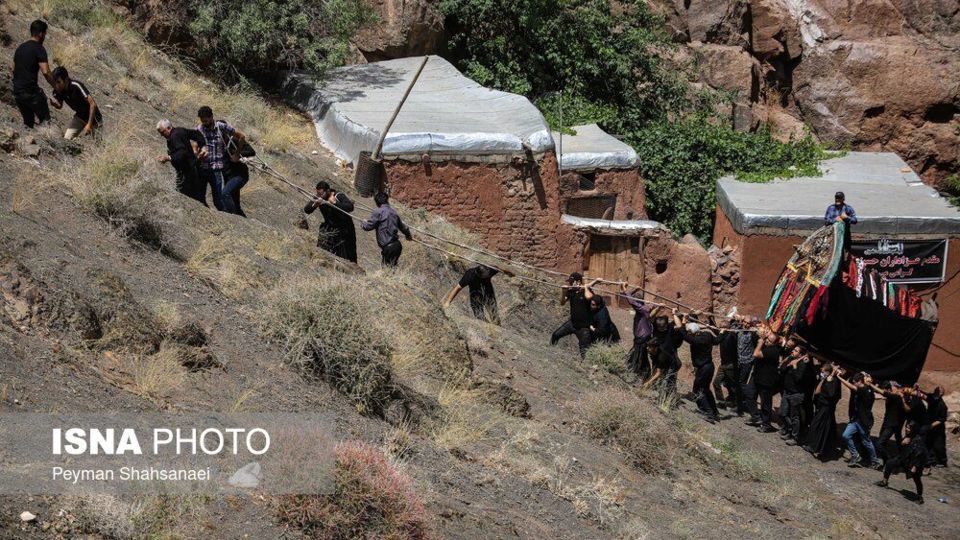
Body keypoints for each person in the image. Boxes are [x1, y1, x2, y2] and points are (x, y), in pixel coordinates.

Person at [196, 106, 248, 213]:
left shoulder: (221, 127)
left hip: (216, 170)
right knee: (200, 197)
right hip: (203, 168)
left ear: (211, 117)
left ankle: (232, 217)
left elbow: (242, 136)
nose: (204, 123)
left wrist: (237, 154)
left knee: (219, 200)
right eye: (202, 121)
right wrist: (198, 154)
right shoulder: (199, 129)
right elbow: (194, 144)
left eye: (206, 120)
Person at [12, 20, 54, 128]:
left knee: (28, 123)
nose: (45, 36)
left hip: (17, 92)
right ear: (40, 33)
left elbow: (13, 68)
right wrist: (56, 86)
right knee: (45, 121)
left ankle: (26, 142)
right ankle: (48, 139)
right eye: (45, 33)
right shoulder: (39, 48)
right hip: (31, 92)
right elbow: (46, 71)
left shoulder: (20, 48)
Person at [876, 421, 929, 504]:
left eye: (909, 428)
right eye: (906, 427)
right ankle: (884, 481)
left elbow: (921, 454)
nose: (907, 429)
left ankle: (919, 497)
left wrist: (915, 466)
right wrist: (903, 443)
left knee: (917, 479)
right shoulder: (908, 436)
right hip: (904, 459)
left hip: (914, 463)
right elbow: (903, 449)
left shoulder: (918, 439)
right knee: (890, 463)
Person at [303, 181, 357, 263]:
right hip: (330, 227)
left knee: (346, 254)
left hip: (344, 229)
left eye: (321, 194)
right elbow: (307, 210)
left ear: (328, 191)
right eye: (318, 194)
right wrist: (315, 205)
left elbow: (350, 207)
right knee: (323, 248)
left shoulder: (338, 196)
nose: (320, 196)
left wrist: (335, 203)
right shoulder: (319, 198)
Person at [156, 119, 207, 205]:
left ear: (169, 127)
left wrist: (168, 157)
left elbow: (181, 152)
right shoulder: (180, 130)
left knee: (190, 198)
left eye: (162, 132)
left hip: (188, 172)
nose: (162, 135)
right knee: (196, 197)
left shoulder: (174, 136)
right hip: (192, 169)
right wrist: (203, 146)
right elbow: (197, 134)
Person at [838, 372, 882, 469]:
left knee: (866, 441)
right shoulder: (867, 389)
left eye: (855, 382)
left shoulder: (864, 390)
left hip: (864, 421)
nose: (854, 383)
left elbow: (851, 386)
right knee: (846, 435)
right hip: (856, 419)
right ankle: (855, 455)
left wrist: (839, 377)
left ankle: (875, 461)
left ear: (859, 382)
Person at [443, 264, 514, 323]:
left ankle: (498, 328)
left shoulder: (490, 269)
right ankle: (488, 329)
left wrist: (509, 273)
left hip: (488, 292)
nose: (488, 276)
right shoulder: (469, 275)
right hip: (475, 295)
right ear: (478, 275)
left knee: (494, 314)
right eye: (485, 276)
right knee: (479, 317)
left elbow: (500, 268)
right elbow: (457, 288)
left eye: (488, 275)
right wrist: (448, 302)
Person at [684, 319, 722, 422]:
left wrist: (683, 320)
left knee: (698, 390)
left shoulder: (695, 340)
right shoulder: (707, 335)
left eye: (689, 332)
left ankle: (708, 413)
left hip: (703, 368)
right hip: (710, 366)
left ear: (692, 332)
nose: (688, 333)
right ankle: (715, 412)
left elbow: (683, 333)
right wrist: (722, 332)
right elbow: (717, 340)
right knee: (706, 389)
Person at [642, 309, 685, 399]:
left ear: (667, 324)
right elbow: (650, 317)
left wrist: (674, 314)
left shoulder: (670, 328)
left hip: (669, 357)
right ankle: (657, 390)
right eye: (659, 327)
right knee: (657, 371)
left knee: (669, 378)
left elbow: (680, 325)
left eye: (663, 327)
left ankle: (669, 398)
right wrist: (659, 307)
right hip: (657, 352)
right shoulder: (656, 326)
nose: (661, 328)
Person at [550, 273, 596, 357]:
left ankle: (587, 368)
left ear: (578, 282)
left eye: (571, 282)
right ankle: (551, 352)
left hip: (584, 327)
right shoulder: (571, 291)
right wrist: (564, 292)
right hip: (572, 323)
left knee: (584, 350)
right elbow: (562, 303)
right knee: (555, 335)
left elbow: (590, 297)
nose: (570, 284)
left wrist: (585, 287)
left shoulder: (587, 291)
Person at [361, 191, 412, 267]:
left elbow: (368, 227)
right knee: (392, 267)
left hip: (388, 247)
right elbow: (403, 228)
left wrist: (363, 222)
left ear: (377, 202)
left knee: (386, 270)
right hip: (397, 246)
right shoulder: (394, 212)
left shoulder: (378, 212)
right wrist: (408, 235)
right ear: (387, 201)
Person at [49, 66, 102, 140]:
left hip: (94, 118)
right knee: (67, 139)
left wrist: (89, 124)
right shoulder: (59, 90)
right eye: (55, 82)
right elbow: (60, 105)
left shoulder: (76, 86)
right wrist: (55, 104)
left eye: (59, 82)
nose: (57, 85)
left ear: (66, 79)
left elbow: (92, 104)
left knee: (97, 143)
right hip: (80, 116)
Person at [804, 363, 842, 460]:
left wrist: (830, 378)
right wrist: (825, 379)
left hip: (827, 408)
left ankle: (817, 447)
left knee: (821, 427)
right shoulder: (826, 379)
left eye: (824, 371)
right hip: (821, 406)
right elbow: (817, 391)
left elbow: (832, 394)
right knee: (818, 426)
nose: (822, 373)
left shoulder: (834, 381)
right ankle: (815, 446)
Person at [751, 327, 781, 433]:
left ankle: (766, 424)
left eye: (769, 341)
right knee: (752, 396)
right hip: (760, 379)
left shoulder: (772, 351)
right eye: (767, 339)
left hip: (767, 381)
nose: (767, 341)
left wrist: (761, 341)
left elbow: (756, 354)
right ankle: (757, 418)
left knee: (766, 404)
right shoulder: (769, 347)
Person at [621, 283, 653, 380]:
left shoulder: (642, 309)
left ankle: (640, 375)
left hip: (642, 337)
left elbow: (631, 301)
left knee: (639, 356)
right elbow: (630, 298)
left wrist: (625, 288)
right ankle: (639, 373)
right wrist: (635, 290)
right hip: (643, 336)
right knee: (639, 355)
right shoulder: (643, 308)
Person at [778, 346, 809, 444]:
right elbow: (782, 370)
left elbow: (798, 379)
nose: (793, 351)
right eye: (794, 349)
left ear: (800, 354)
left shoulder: (803, 364)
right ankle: (790, 430)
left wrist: (795, 367)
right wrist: (787, 365)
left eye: (795, 350)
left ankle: (795, 437)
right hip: (787, 392)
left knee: (795, 417)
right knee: (782, 413)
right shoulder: (791, 358)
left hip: (796, 394)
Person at [869, 381, 906, 463]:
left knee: (879, 444)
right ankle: (886, 462)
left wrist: (870, 384)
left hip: (891, 424)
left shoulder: (896, 396)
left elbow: (883, 392)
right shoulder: (892, 396)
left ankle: (890, 460)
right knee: (883, 443)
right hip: (887, 422)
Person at [737, 317, 760, 421]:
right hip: (739, 360)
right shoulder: (739, 330)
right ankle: (740, 403)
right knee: (738, 382)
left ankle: (744, 404)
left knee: (742, 383)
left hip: (747, 362)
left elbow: (758, 340)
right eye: (744, 322)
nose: (746, 324)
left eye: (748, 323)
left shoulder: (752, 333)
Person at [924, 386, 948, 467]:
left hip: (938, 428)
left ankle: (942, 461)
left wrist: (932, 425)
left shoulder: (942, 405)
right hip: (929, 424)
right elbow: (925, 396)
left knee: (939, 445)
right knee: (929, 443)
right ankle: (932, 460)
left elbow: (942, 419)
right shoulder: (931, 397)